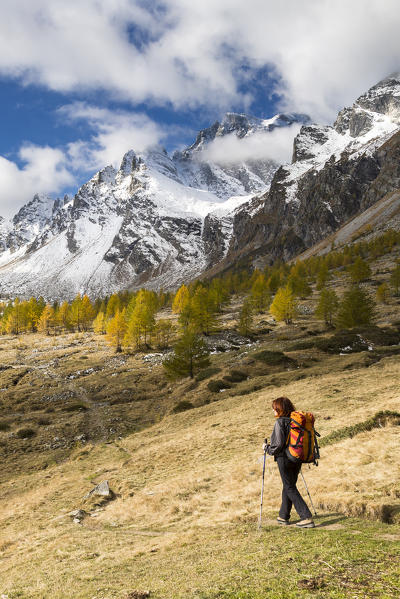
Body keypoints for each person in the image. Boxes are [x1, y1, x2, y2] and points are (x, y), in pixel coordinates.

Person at [263, 396, 315, 528]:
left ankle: (306, 517)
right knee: (289, 485)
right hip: (297, 457)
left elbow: (278, 444)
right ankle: (283, 516)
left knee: (289, 486)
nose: (273, 411)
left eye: (274, 408)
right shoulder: (294, 421)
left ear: (280, 409)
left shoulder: (280, 422)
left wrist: (267, 448)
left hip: (284, 458)